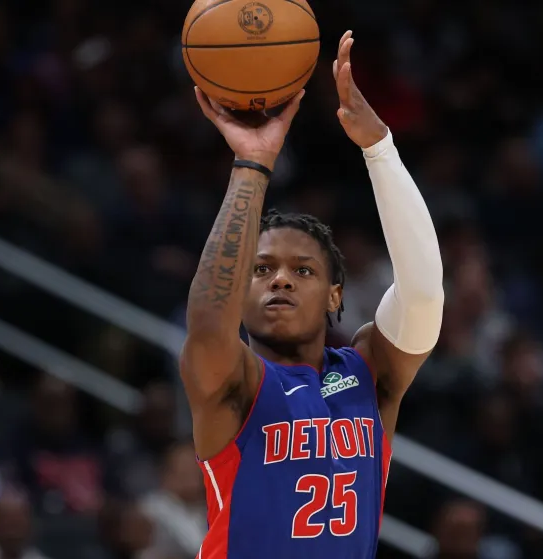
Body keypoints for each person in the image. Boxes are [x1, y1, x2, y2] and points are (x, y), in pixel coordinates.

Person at [181, 32, 444, 559]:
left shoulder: (372, 372)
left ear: (333, 296)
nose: (280, 279)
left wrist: (379, 148)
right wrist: (253, 163)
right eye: (261, 269)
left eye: (302, 270)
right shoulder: (235, 383)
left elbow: (422, 295)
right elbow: (209, 326)